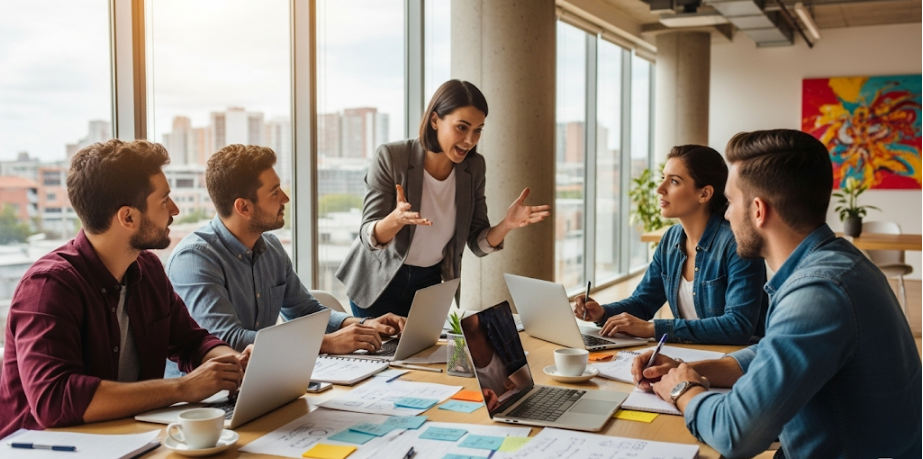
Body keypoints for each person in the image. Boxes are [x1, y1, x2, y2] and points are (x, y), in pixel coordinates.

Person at [633, 129, 922, 458]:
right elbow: (775, 352)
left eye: (730, 202)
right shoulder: (837, 263)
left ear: (758, 210)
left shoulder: (818, 293)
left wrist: (682, 389)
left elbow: (736, 434)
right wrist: (692, 368)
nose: (725, 214)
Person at [0, 140, 247, 438]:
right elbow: (54, 400)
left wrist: (229, 362)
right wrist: (184, 387)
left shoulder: (149, 269)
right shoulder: (49, 286)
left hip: (129, 439)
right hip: (47, 447)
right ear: (127, 217)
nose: (175, 210)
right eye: (164, 200)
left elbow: (192, 341)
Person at [164, 145, 406, 372]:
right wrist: (325, 343)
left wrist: (363, 325)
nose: (285, 199)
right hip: (201, 403)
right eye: (274, 192)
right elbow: (228, 340)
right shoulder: (195, 259)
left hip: (262, 379)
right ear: (244, 207)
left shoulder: (271, 247)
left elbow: (306, 310)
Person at [336, 80, 550, 317]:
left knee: (429, 354)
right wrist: (395, 220)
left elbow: (477, 243)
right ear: (435, 120)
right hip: (379, 280)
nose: (470, 140)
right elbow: (369, 236)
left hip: (428, 285)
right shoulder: (392, 157)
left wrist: (506, 225)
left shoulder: (474, 168)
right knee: (380, 353)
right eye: (462, 127)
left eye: (478, 130)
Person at [574, 145, 768, 344]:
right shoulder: (671, 240)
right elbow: (643, 302)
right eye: (663, 178)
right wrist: (602, 313)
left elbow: (738, 326)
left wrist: (653, 328)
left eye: (674, 181)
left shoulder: (736, 244)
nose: (660, 189)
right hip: (691, 354)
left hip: (738, 361)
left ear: (704, 194)